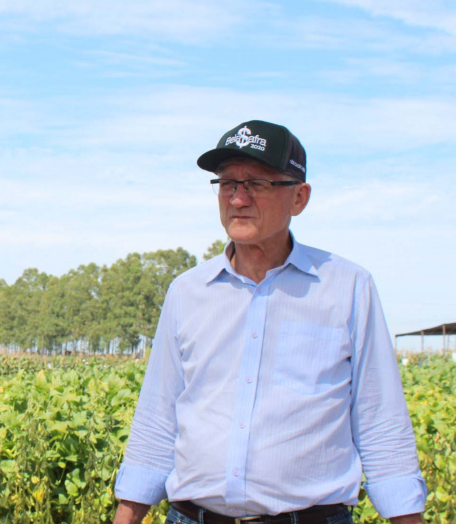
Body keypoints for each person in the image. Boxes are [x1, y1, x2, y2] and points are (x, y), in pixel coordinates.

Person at [113, 120, 425, 524]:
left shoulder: (348, 288)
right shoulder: (187, 292)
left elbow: (381, 421)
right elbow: (157, 419)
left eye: (257, 184)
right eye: (227, 185)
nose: (238, 200)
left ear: (299, 197)